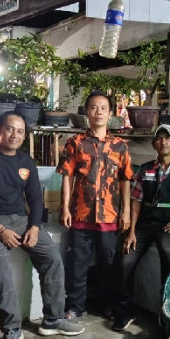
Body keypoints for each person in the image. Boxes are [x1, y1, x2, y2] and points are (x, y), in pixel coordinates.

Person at [0, 111, 84, 339]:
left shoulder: (26, 161)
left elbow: (35, 199)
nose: (15, 135)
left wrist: (34, 227)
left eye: (20, 131)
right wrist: (0, 229)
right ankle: (11, 330)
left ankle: (53, 319)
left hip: (21, 220)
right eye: (10, 129)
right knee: (0, 267)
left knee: (52, 257)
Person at [113, 124, 170, 331]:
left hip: (168, 226)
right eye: (159, 138)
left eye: (168, 138)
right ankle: (126, 310)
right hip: (144, 225)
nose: (163, 142)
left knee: (168, 254)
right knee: (126, 259)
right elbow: (136, 201)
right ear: (154, 144)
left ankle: (167, 310)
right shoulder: (145, 169)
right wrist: (131, 232)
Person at [56, 91, 133, 322]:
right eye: (93, 107)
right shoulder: (75, 143)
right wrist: (65, 207)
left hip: (110, 215)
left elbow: (125, 180)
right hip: (81, 214)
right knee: (77, 265)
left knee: (108, 266)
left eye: (103, 108)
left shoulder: (120, 146)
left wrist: (126, 212)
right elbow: (67, 177)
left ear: (110, 114)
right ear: (87, 112)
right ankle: (76, 307)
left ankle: (106, 306)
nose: (98, 112)